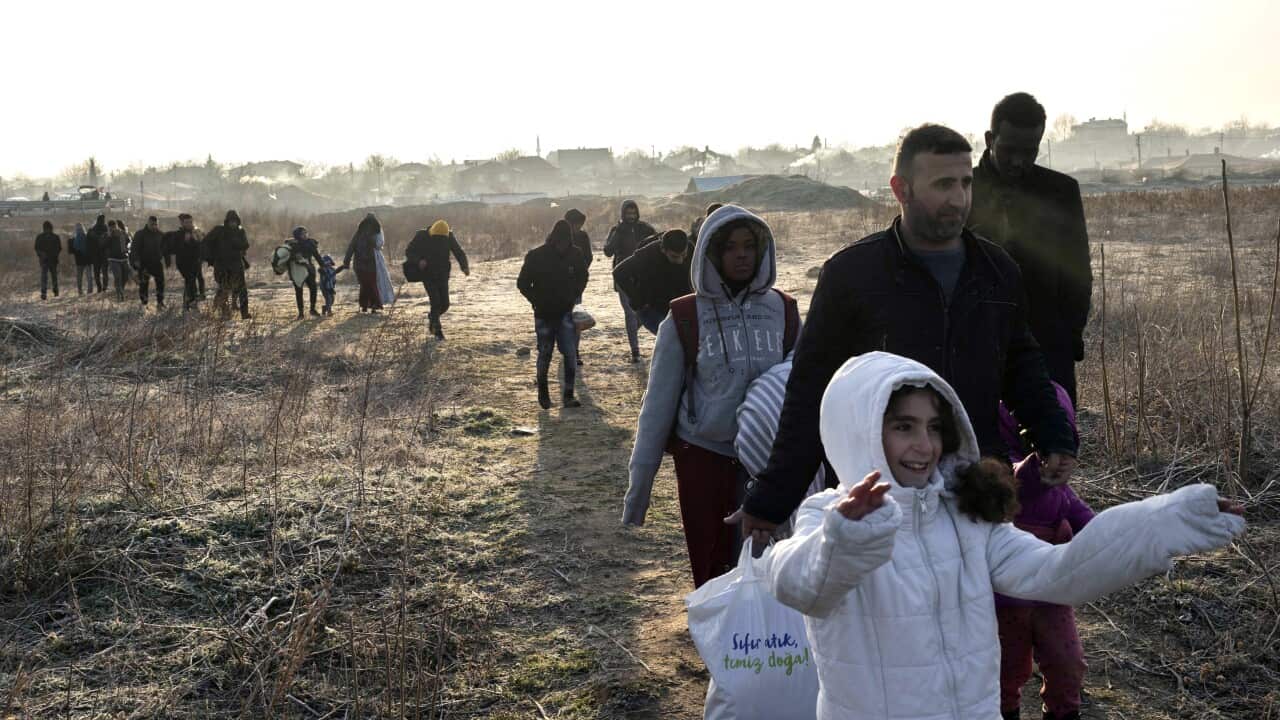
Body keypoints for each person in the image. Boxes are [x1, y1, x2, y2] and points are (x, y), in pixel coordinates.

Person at [764, 351, 1245, 720]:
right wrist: (851, 535)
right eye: (902, 426)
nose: (924, 445)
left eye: (934, 427)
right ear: (860, 431)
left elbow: (1060, 572)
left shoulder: (966, 516)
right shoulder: (828, 517)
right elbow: (801, 585)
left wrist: (1164, 521)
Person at [735, 124, 1077, 543]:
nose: (959, 198)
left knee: (977, 607)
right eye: (943, 184)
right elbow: (811, 394)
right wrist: (773, 499)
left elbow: (1022, 367)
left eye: (966, 183)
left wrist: (1053, 437)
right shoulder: (852, 276)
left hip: (977, 489)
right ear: (901, 189)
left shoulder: (996, 271)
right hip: (879, 496)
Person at [622, 205, 801, 588]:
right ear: (711, 253)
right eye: (730, 247)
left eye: (749, 246)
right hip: (704, 460)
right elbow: (656, 408)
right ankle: (719, 643)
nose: (741, 255)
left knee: (773, 567)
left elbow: (802, 387)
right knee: (713, 568)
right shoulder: (685, 317)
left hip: (767, 462)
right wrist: (639, 492)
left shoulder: (783, 311)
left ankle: (768, 645)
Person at [970, 92, 1092, 407]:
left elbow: (1078, 271)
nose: (1019, 161)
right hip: (975, 345)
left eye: (1030, 152)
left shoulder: (1061, 192)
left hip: (1048, 346)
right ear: (989, 139)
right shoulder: (961, 190)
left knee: (1053, 446)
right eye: (1009, 150)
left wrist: (1069, 336)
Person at [996, 383, 1094, 720]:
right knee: (1006, 670)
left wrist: (1118, 539)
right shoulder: (1001, 476)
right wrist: (1039, 466)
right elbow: (1017, 484)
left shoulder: (1062, 491)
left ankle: (1064, 711)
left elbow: (1089, 523)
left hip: (1053, 594)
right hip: (1004, 600)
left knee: (1068, 664)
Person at [517, 220, 588, 410]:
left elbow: (583, 276)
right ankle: (544, 394)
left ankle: (568, 396)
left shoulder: (576, 254)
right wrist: (537, 300)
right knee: (545, 354)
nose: (563, 245)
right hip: (544, 314)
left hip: (565, 313)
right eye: (560, 241)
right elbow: (522, 284)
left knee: (570, 354)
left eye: (566, 241)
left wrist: (573, 295)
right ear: (554, 238)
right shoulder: (536, 256)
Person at [602, 199, 657, 363]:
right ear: (623, 214)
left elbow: (658, 243)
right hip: (623, 276)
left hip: (642, 276)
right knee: (629, 314)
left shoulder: (645, 228)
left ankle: (633, 330)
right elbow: (607, 251)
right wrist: (616, 234)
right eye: (628, 213)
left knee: (643, 312)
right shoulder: (618, 230)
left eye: (633, 213)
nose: (631, 216)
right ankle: (635, 351)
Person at [612, 229, 693, 334]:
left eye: (684, 255)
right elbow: (619, 272)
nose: (680, 261)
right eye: (674, 256)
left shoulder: (691, 248)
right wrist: (638, 301)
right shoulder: (647, 254)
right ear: (663, 249)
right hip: (652, 308)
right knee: (671, 339)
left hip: (681, 304)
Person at [405, 219, 470, 339]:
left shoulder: (449, 235)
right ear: (432, 232)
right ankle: (437, 331)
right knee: (435, 302)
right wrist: (418, 260)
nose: (440, 241)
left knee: (445, 304)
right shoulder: (421, 235)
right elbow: (409, 251)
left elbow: (459, 252)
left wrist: (464, 266)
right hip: (427, 274)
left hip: (443, 274)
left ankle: (432, 317)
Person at [203, 210, 251, 319]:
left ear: (238, 221)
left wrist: (234, 241)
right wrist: (210, 258)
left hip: (237, 265)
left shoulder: (240, 231)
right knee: (223, 289)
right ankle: (223, 312)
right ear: (227, 221)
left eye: (235, 221)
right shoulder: (218, 230)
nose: (233, 223)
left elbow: (245, 244)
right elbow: (206, 242)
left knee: (242, 290)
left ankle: (244, 313)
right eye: (231, 221)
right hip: (221, 265)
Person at [565, 209, 592, 365]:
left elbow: (588, 257)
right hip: (560, 285)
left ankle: (574, 351)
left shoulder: (583, 236)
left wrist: (580, 271)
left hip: (576, 284)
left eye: (580, 225)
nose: (578, 227)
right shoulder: (558, 237)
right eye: (576, 224)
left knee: (574, 318)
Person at [343, 213, 387, 313]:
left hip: (362, 263)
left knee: (365, 284)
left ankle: (366, 305)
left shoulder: (361, 233)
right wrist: (346, 261)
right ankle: (372, 305)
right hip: (369, 262)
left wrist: (347, 261)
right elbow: (379, 245)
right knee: (370, 283)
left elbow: (351, 246)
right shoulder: (376, 232)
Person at [164, 214, 205, 312]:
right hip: (183, 263)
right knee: (190, 279)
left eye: (191, 222)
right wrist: (184, 242)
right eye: (187, 222)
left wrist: (199, 240)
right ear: (182, 223)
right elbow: (174, 249)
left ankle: (186, 305)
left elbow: (202, 246)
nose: (189, 224)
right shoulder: (178, 234)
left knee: (192, 281)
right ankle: (192, 301)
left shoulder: (196, 232)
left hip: (195, 261)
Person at [130, 215, 167, 309]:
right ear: (148, 223)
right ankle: (144, 302)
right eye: (152, 224)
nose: (154, 226)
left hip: (156, 262)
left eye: (155, 224)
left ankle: (160, 302)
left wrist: (167, 259)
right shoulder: (140, 234)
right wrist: (136, 260)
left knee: (160, 282)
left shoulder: (160, 234)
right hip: (144, 263)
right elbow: (134, 249)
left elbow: (165, 248)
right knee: (143, 284)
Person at [286, 226, 323, 318]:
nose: (305, 235)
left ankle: (312, 309)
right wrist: (296, 258)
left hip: (309, 269)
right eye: (303, 234)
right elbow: (287, 259)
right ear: (298, 235)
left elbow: (317, 256)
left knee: (313, 289)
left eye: (306, 233)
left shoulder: (311, 243)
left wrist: (323, 265)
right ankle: (301, 312)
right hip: (297, 271)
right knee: (299, 291)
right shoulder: (292, 245)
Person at [34, 221, 62, 300]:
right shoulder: (43, 237)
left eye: (48, 228)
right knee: (46, 277)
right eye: (47, 228)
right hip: (46, 260)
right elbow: (36, 248)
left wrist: (53, 254)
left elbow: (59, 248)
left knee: (52, 277)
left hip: (51, 260)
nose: (47, 230)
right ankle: (44, 293)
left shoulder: (53, 237)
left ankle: (55, 292)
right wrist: (42, 254)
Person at [106, 220, 131, 300]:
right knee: (118, 277)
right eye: (111, 227)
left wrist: (127, 237)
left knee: (125, 277)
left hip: (123, 258)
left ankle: (121, 289)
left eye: (114, 226)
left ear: (116, 226)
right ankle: (119, 295)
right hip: (113, 259)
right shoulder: (108, 235)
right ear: (109, 227)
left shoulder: (122, 233)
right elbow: (103, 245)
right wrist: (109, 236)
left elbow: (128, 241)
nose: (113, 228)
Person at [86, 214, 110, 292]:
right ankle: (105, 287)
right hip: (104, 254)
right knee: (104, 272)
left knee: (96, 272)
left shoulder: (92, 230)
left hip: (95, 255)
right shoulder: (106, 229)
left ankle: (99, 287)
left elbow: (88, 244)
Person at [70, 222, 92, 295]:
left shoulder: (75, 238)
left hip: (79, 260)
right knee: (89, 276)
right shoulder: (87, 237)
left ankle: (80, 291)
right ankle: (90, 290)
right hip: (87, 259)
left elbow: (74, 248)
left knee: (79, 276)